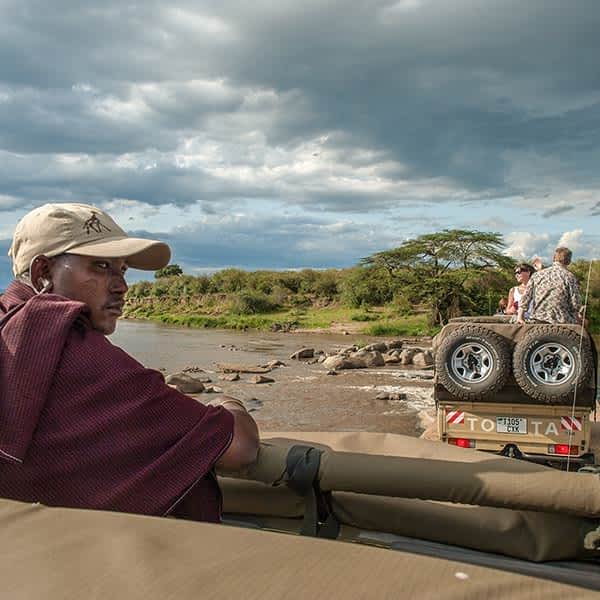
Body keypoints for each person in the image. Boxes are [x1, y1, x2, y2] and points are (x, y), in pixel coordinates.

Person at [0, 203, 259, 522]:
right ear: (42, 273)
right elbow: (239, 447)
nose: (122, 286)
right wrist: (229, 402)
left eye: (122, 270)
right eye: (101, 266)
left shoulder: (10, 328)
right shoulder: (74, 350)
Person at [517, 247, 582, 325]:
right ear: (569, 261)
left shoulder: (537, 275)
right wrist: (578, 319)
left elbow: (526, 297)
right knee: (585, 322)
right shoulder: (569, 277)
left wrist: (520, 317)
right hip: (562, 320)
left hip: (538, 319)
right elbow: (575, 303)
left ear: (554, 258)